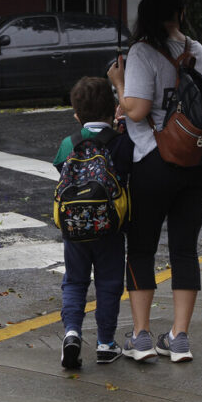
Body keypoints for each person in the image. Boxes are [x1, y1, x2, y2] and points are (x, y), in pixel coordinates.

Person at [107, 0, 202, 363]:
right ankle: (179, 338)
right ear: (180, 13)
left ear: (146, 15)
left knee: (141, 248)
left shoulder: (141, 52)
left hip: (155, 161)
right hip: (200, 163)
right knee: (185, 249)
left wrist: (119, 81)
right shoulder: (199, 52)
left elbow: (136, 110)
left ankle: (140, 338)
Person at [52, 76, 133, 369]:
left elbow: (61, 170)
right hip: (110, 228)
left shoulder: (67, 144)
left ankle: (72, 332)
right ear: (114, 109)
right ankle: (105, 344)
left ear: (76, 114)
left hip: (74, 229)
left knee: (74, 281)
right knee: (109, 283)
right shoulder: (122, 143)